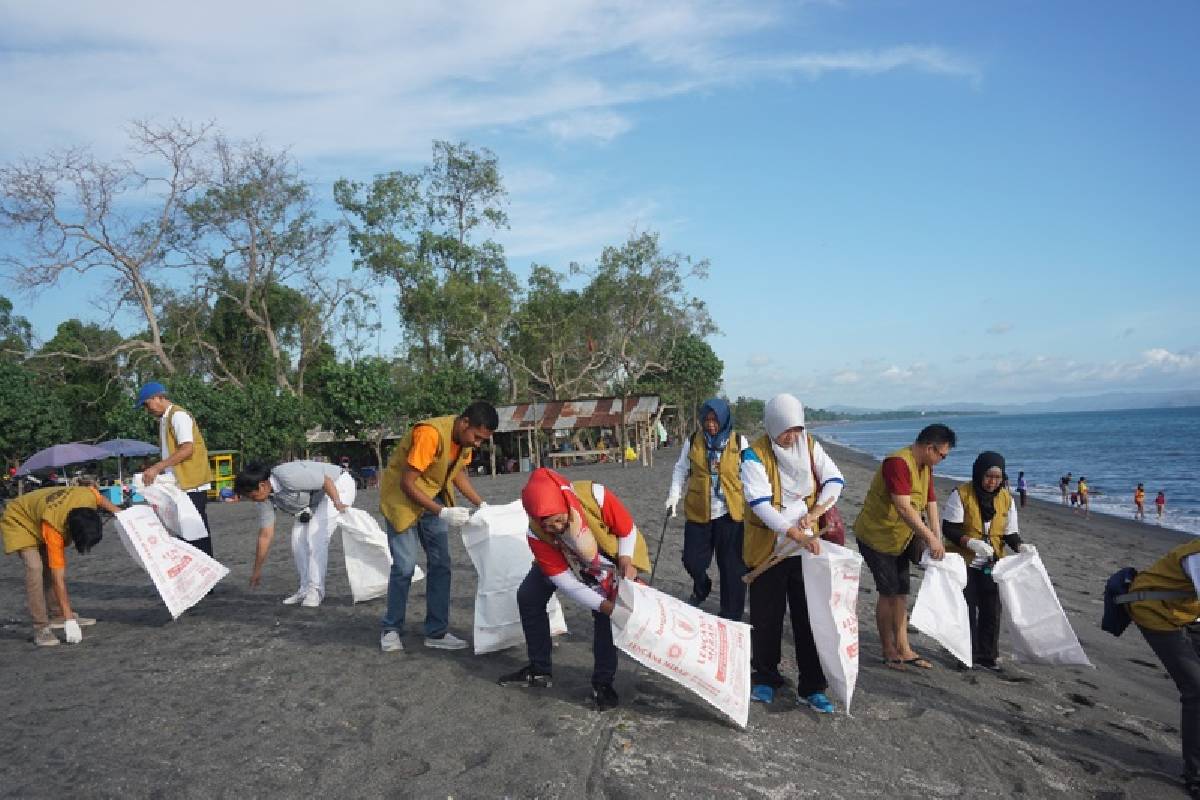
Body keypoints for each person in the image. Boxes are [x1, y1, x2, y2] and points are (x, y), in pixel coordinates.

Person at [498, 467, 651, 711]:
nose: (557, 528)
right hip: (563, 558)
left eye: (560, 520)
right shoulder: (536, 534)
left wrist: (625, 559)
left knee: (604, 618)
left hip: (605, 556)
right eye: (549, 525)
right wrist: (607, 606)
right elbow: (566, 582)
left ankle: (602, 683)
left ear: (566, 503)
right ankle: (539, 669)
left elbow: (626, 529)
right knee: (529, 596)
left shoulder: (594, 496)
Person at [739, 394, 844, 712]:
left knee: (808, 618)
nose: (792, 436)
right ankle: (766, 679)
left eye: (797, 428)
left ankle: (812, 686)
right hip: (769, 548)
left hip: (806, 550)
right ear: (772, 425)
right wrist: (794, 533)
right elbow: (760, 505)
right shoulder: (753, 455)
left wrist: (815, 514)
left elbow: (834, 479)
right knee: (766, 618)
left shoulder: (809, 446)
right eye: (787, 430)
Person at [378, 401, 497, 653]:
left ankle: (436, 632)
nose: (477, 443)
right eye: (476, 437)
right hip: (402, 500)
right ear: (464, 423)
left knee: (441, 564)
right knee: (404, 566)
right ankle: (391, 629)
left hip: (433, 497)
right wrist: (442, 511)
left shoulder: (463, 440)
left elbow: (457, 472)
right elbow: (407, 483)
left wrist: (481, 503)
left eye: (482, 440)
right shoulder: (430, 434)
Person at [854, 423, 955, 671]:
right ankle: (888, 650)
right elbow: (903, 507)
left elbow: (930, 502)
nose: (942, 460)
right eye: (942, 455)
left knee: (901, 592)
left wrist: (936, 535)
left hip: (900, 538)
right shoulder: (897, 463)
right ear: (929, 447)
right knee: (887, 593)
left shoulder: (925, 467)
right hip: (876, 537)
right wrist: (930, 539)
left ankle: (905, 648)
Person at [664, 398, 750, 619]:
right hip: (699, 511)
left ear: (724, 419)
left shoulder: (739, 442)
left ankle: (731, 614)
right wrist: (674, 495)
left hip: (730, 514)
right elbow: (681, 469)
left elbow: (751, 475)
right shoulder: (693, 440)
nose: (711, 424)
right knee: (691, 560)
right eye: (707, 420)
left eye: (715, 420)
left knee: (732, 569)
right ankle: (702, 585)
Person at [2, 485, 120, 646]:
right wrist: (70, 620)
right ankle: (41, 628)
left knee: (49, 567)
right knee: (35, 568)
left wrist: (125, 515)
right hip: (19, 519)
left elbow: (101, 499)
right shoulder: (55, 530)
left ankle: (58, 615)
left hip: (39, 513)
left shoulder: (87, 497)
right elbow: (59, 579)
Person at [1127, 540, 1200, 798]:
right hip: (1152, 608)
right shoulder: (1198, 555)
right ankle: (1196, 775)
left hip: (1186, 613)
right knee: (1196, 690)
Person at [942, 452, 1025, 670]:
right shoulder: (961, 494)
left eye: (997, 478)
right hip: (964, 561)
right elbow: (949, 528)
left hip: (992, 563)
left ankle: (987, 656)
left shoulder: (1006, 498)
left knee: (991, 609)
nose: (992, 482)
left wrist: (1020, 547)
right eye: (989, 476)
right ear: (979, 473)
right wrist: (970, 543)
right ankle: (965, 655)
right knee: (966, 608)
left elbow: (1010, 533)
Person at [235, 460, 358, 607]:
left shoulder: (287, 475)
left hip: (338, 485)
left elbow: (325, 480)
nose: (252, 501)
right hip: (316, 499)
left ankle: (316, 590)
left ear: (262, 486)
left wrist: (337, 502)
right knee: (297, 540)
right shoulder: (264, 498)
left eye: (252, 496)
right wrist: (256, 571)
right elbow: (265, 535)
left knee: (315, 536)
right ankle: (305, 589)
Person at [136, 382, 216, 556]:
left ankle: (205, 577)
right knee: (187, 536)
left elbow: (187, 449)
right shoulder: (166, 419)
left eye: (146, 404)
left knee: (195, 537)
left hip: (191, 484)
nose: (147, 409)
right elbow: (172, 453)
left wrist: (157, 467)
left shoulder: (178, 416)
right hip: (181, 485)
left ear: (158, 398)